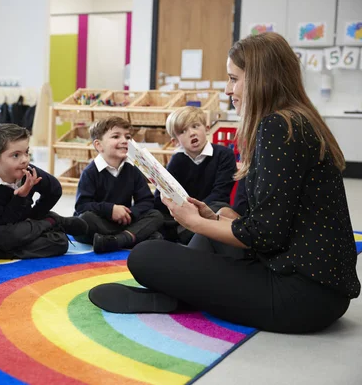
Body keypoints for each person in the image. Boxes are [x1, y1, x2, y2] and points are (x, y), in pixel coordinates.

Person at [89, 32, 360, 334]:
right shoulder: (298, 120)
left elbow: (266, 235)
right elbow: (280, 222)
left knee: (146, 256)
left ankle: (173, 296)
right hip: (322, 292)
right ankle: (174, 293)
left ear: (259, 79)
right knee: (209, 235)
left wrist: (195, 222)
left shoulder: (277, 127)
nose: (230, 89)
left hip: (300, 297)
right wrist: (216, 218)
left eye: (233, 79)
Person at [0, 123, 88, 259]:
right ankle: (51, 222)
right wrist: (21, 196)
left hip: (23, 223)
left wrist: (35, 215)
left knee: (60, 243)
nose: (25, 160)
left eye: (26, 152)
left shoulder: (28, 171)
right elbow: (2, 222)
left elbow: (54, 189)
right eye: (16, 155)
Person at [73, 116, 165, 253]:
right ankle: (131, 237)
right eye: (116, 136)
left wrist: (130, 214)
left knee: (156, 215)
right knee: (85, 219)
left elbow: (146, 200)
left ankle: (116, 240)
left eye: (127, 137)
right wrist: (110, 210)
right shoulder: (90, 172)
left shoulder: (132, 169)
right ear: (99, 145)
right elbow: (82, 206)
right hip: (100, 221)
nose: (124, 141)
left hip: (124, 222)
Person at [153, 106, 237, 243]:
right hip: (182, 216)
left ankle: (181, 234)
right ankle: (182, 233)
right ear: (175, 142)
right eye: (183, 131)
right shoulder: (177, 160)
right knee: (154, 215)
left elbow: (221, 192)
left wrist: (193, 213)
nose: (191, 133)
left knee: (220, 208)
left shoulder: (224, 154)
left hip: (211, 212)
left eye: (195, 126)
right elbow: (160, 198)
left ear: (207, 128)